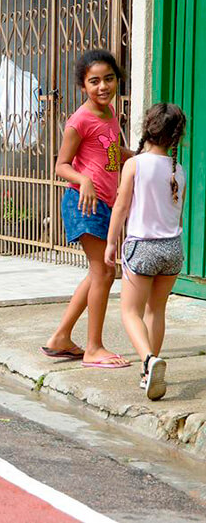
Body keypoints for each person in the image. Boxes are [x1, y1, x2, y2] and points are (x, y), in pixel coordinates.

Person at [42, 49, 135, 368]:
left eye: (109, 79)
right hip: (83, 202)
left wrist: (139, 157)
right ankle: (94, 348)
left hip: (104, 203)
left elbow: (111, 154)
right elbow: (61, 165)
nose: (103, 86)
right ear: (83, 86)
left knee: (98, 272)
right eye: (94, 81)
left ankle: (60, 338)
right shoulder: (79, 120)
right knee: (105, 271)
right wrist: (84, 180)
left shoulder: (109, 114)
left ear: (117, 80)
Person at [103, 103, 187, 400]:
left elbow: (121, 206)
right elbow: (178, 216)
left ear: (147, 127)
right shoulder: (179, 170)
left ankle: (149, 360)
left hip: (143, 247)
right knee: (156, 310)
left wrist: (111, 242)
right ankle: (148, 372)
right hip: (172, 248)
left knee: (130, 312)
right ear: (176, 136)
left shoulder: (135, 164)